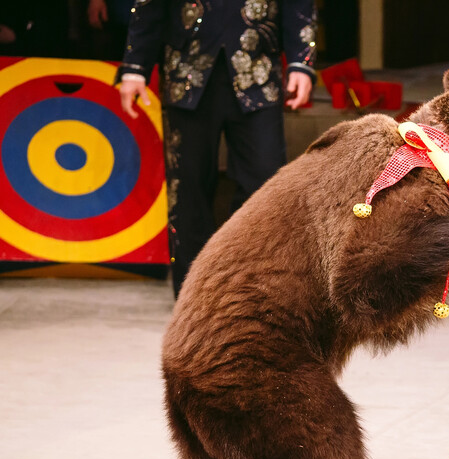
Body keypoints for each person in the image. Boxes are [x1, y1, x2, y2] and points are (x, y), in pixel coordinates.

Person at [118, 0, 317, 297]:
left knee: (266, 185)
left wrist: (302, 61)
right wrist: (136, 65)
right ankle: (192, 297)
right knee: (188, 190)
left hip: (258, 70)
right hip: (188, 68)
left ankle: (253, 292)